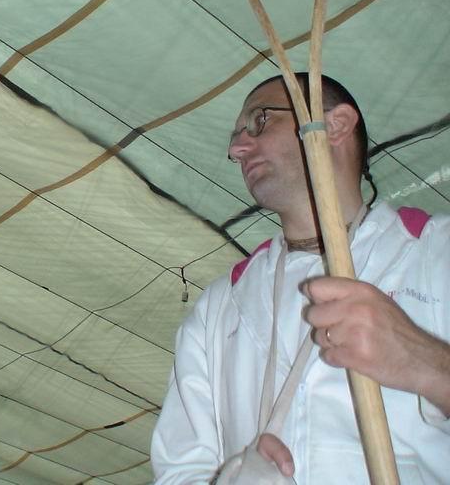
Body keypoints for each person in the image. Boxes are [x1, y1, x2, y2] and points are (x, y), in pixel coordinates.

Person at [151, 73, 450, 483]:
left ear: (335, 125)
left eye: (259, 121)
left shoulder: (436, 250)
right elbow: (179, 471)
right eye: (236, 137)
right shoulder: (219, 306)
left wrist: (431, 364)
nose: (237, 149)